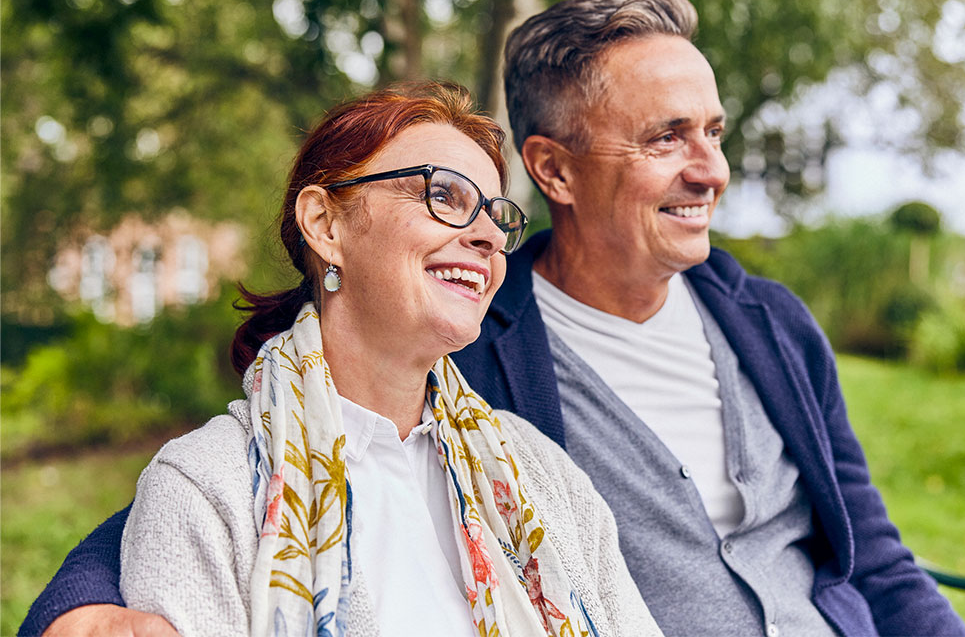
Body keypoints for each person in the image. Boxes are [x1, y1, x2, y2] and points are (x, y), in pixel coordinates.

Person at [22, 0, 965, 637]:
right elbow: (238, 486)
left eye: (713, 133)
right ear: (554, 169)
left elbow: (874, 554)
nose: (711, 168)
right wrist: (74, 608)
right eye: (667, 137)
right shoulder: (468, 333)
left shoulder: (769, 322)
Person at [34, 83, 661, 637]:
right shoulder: (206, 486)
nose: (490, 236)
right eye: (444, 195)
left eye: (498, 216)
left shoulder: (540, 472)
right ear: (325, 225)